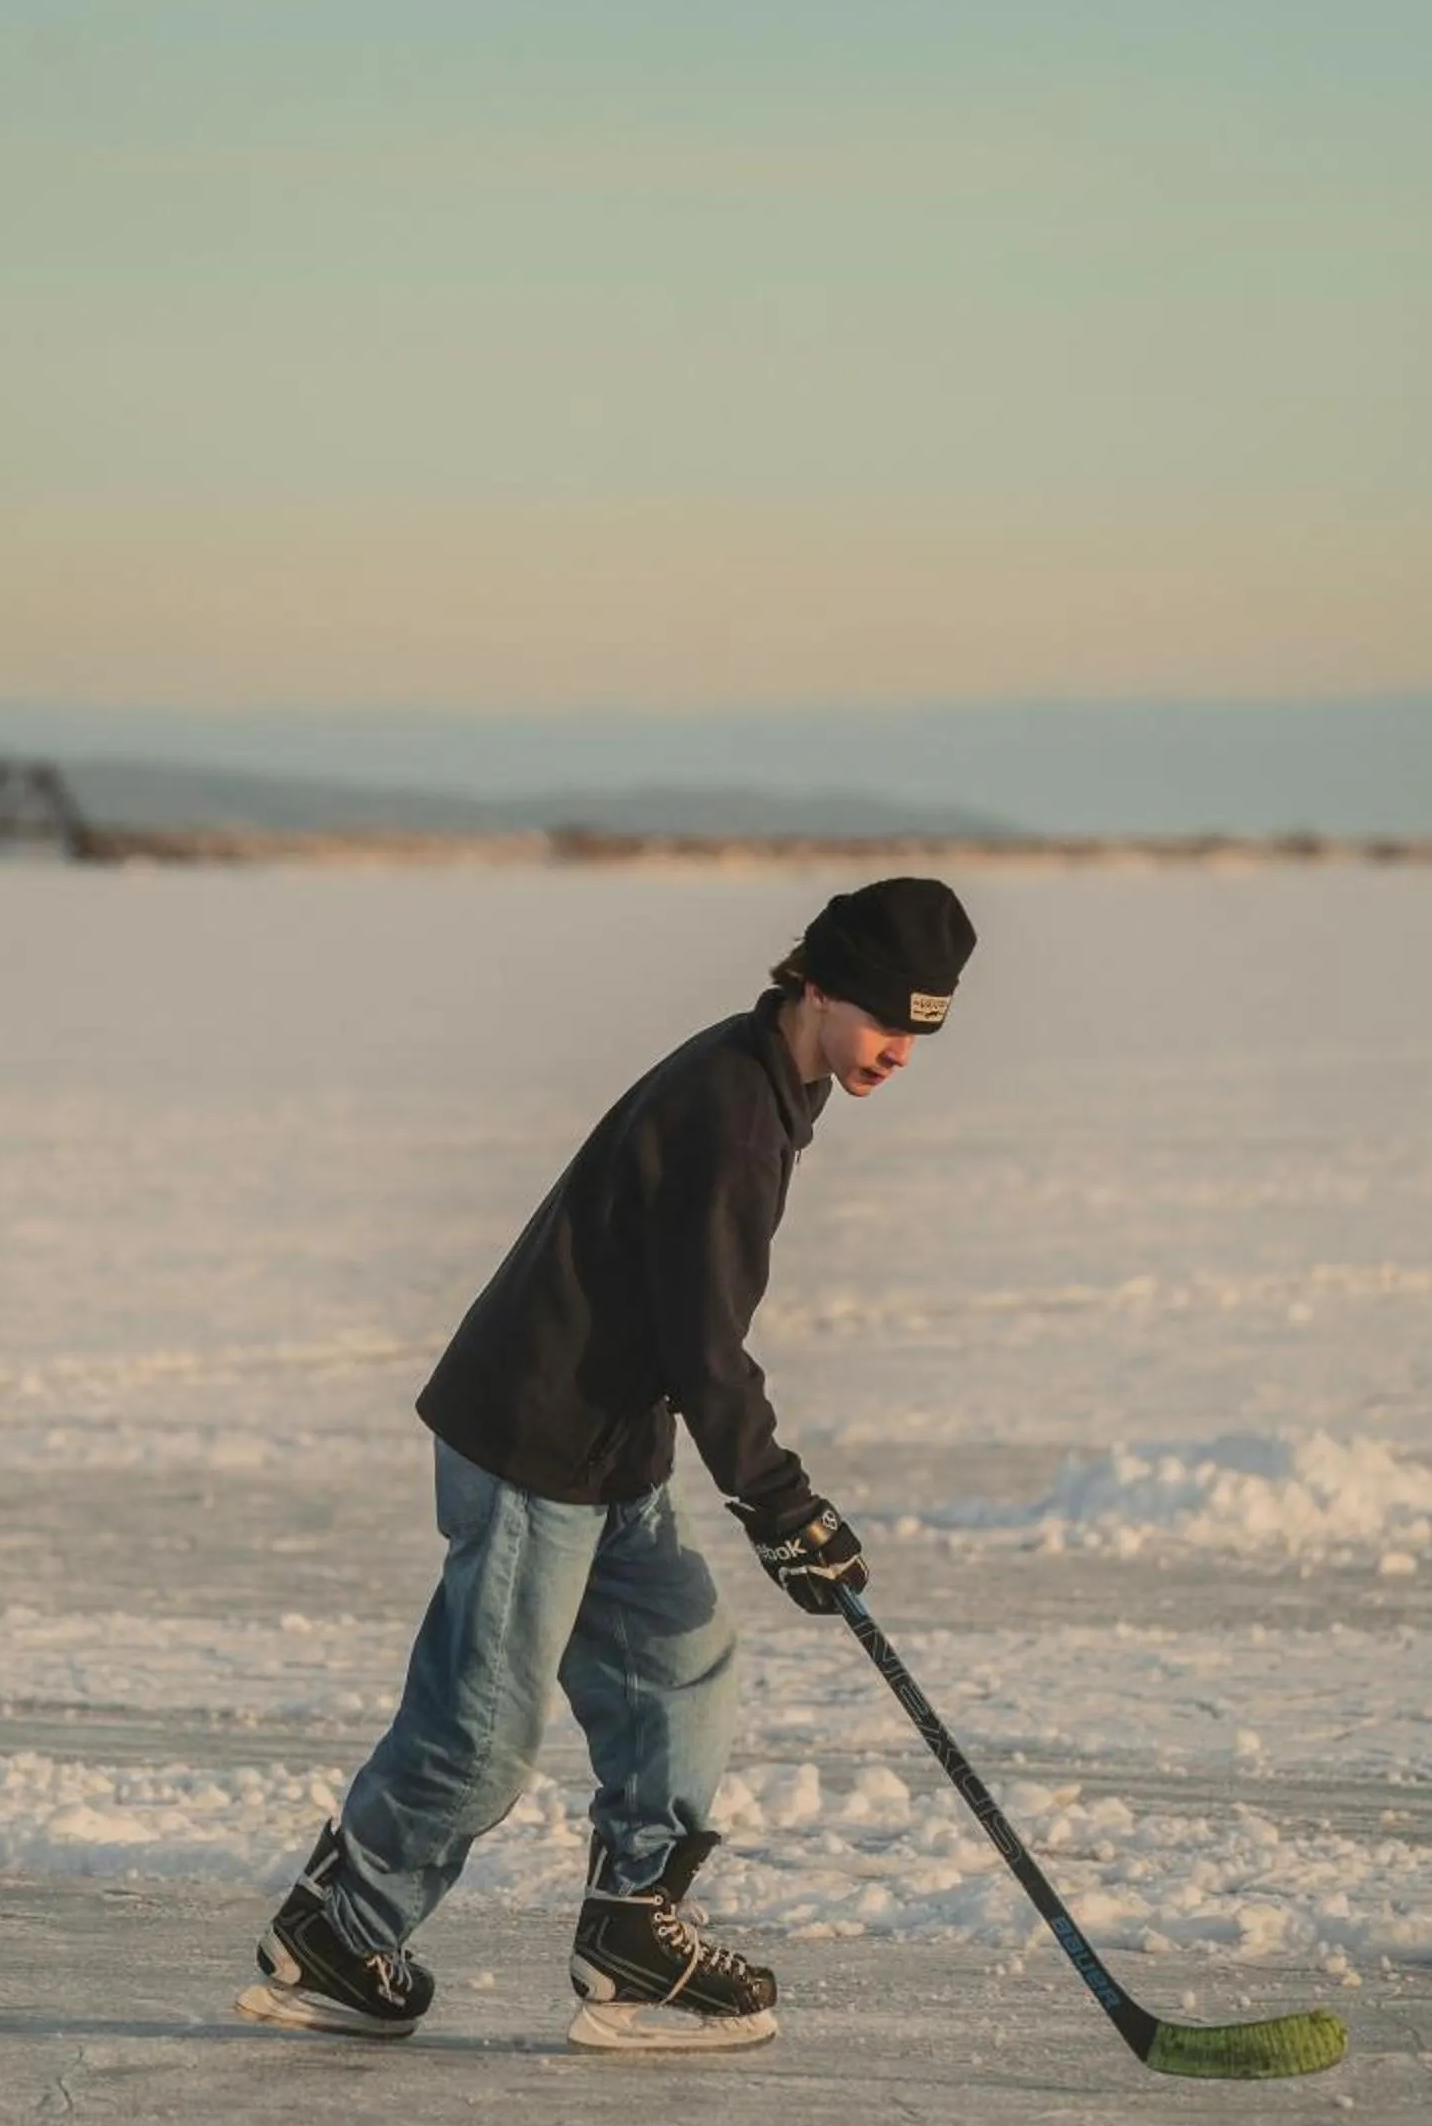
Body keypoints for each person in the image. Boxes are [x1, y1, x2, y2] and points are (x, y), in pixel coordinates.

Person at [237, 875, 977, 2051]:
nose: (898, 1050)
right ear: (820, 985)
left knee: (682, 1666)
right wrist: (779, 1505)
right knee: (481, 1735)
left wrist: (754, 1492)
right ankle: (340, 1929)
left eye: (920, 1032)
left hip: (607, 1446)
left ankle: (632, 1930)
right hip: (536, 1441)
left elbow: (679, 1330)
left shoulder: (770, 1079)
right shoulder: (734, 1110)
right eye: (886, 1019)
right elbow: (703, 1340)